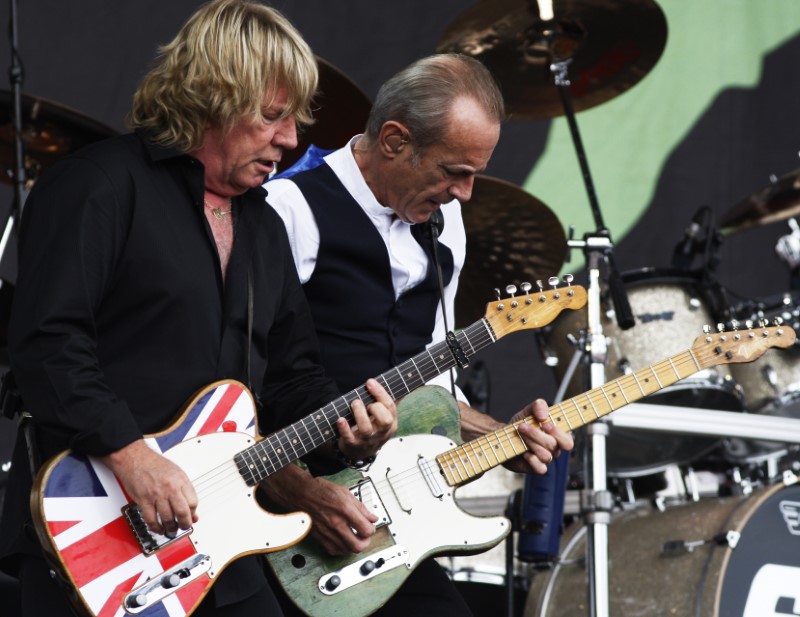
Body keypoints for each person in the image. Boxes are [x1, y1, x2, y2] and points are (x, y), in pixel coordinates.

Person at [0, 2, 398, 616]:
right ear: (214, 94)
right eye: (272, 116)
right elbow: (48, 343)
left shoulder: (263, 225)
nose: (291, 139)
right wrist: (131, 456)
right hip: (93, 536)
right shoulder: (97, 186)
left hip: (220, 545)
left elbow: (292, 377)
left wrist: (351, 430)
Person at [262, 54, 575, 616]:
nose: (467, 193)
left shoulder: (444, 220)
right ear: (393, 140)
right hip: (281, 517)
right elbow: (235, 384)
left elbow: (431, 380)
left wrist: (501, 437)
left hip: (386, 517)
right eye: (454, 171)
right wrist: (303, 493)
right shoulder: (289, 210)